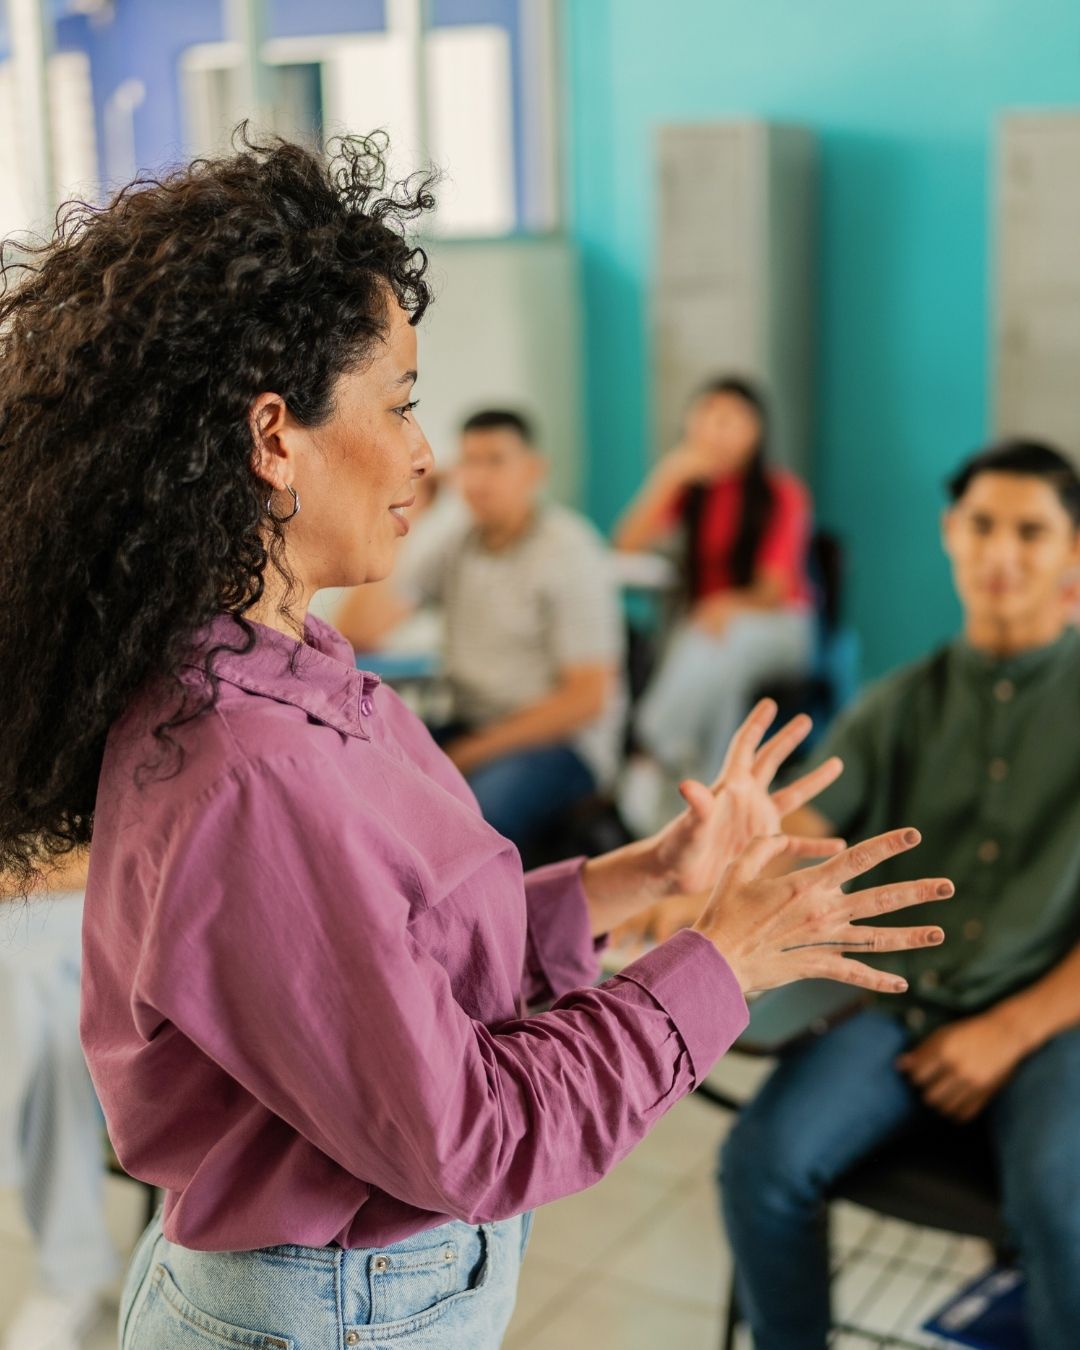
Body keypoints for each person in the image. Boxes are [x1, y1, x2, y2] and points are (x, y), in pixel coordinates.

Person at [0, 132, 950, 1350]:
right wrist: (721, 962)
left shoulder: (286, 669)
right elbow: (478, 1131)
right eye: (397, 404)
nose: (424, 453)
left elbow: (405, 957)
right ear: (273, 436)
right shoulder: (255, 770)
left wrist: (641, 879)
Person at [720, 439, 1080, 1350]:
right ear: (950, 536)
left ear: (1072, 553)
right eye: (983, 526)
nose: (1002, 554)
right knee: (759, 1164)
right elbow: (798, 831)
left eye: (1031, 532)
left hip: (1053, 1014)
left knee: (1063, 1204)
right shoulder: (897, 703)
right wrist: (723, 860)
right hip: (900, 1006)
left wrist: (1008, 1031)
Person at [338, 408, 626, 853]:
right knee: (357, 778)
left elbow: (587, 698)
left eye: (496, 460)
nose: (479, 477)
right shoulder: (458, 543)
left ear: (534, 470)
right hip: (473, 725)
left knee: (464, 828)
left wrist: (474, 751)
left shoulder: (569, 550)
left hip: (562, 745)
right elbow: (358, 629)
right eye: (470, 462)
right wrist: (416, 512)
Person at [616, 377, 814, 783]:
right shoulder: (693, 492)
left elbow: (773, 590)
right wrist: (667, 475)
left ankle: (653, 746)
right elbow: (626, 545)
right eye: (704, 417)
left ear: (755, 430)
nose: (712, 430)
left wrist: (723, 605)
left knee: (720, 642)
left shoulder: (781, 493)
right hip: (710, 630)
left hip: (778, 624)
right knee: (723, 675)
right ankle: (709, 786)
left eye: (726, 419)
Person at [0, 854, 120, 1350]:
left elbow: (119, 844)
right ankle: (70, 1269)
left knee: (26, 987)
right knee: (32, 1003)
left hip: (102, 891)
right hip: (35, 895)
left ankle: (69, 1273)